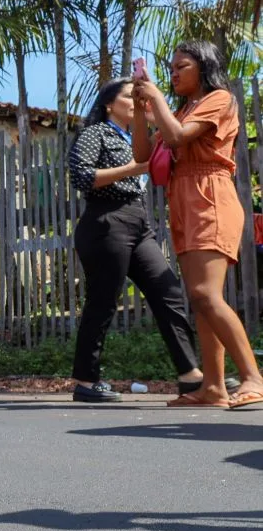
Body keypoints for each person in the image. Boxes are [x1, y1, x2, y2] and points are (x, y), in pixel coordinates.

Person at [132, 40, 263, 409]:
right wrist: (142, 111)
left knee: (206, 294)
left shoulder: (220, 100)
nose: (173, 72)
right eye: (170, 67)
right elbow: (143, 155)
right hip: (184, 199)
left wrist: (154, 97)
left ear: (203, 67)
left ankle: (254, 377)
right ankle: (214, 387)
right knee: (202, 299)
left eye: (182, 66)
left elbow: (175, 137)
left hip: (211, 194)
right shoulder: (181, 109)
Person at [68, 78, 208, 404]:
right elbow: (82, 177)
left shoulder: (137, 138)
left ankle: (191, 375)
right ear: (108, 104)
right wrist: (133, 168)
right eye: (130, 96)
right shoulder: (96, 133)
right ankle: (86, 381)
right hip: (105, 222)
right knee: (102, 301)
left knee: (168, 292)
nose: (136, 101)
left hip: (138, 223)